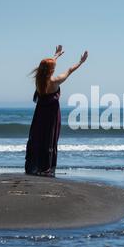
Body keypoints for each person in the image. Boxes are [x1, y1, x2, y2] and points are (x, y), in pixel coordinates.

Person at [25, 45, 88, 177]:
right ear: (51, 70)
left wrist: (56, 55)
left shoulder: (38, 80)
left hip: (40, 113)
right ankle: (46, 167)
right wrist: (81, 62)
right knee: (49, 138)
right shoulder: (55, 81)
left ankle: (34, 166)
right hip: (52, 114)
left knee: (38, 137)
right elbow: (70, 70)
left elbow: (45, 66)